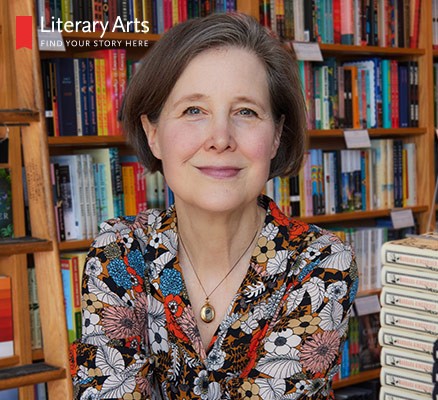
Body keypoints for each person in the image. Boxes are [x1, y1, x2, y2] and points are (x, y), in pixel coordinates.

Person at [70, 12, 358, 400]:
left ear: (276, 136)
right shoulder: (119, 252)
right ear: (153, 134)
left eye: (246, 112)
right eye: (194, 110)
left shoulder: (321, 263)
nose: (220, 138)